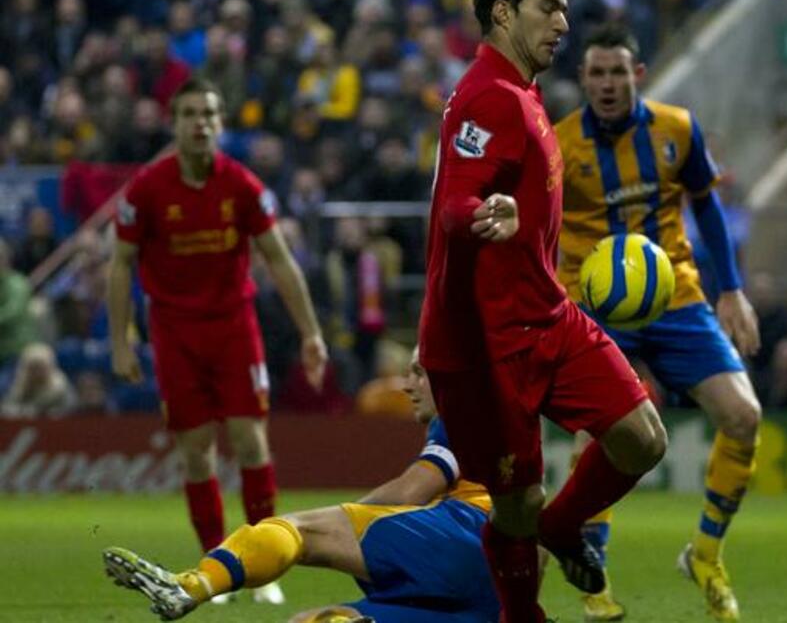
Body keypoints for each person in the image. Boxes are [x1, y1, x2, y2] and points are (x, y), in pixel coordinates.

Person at [419, 0, 668, 622]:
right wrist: (484, 215)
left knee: (643, 439)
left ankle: (565, 528)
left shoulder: (522, 91)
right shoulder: (487, 97)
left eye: (564, 8)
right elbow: (454, 204)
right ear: (503, 11)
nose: (563, 22)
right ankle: (522, 614)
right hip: (484, 344)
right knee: (515, 505)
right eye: (549, 7)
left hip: (547, 314)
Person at [556, 24, 762, 622]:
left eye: (617, 72)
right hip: (596, 309)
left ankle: (705, 553)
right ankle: (593, 574)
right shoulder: (561, 144)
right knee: (599, 434)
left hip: (675, 296)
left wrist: (732, 291)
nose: (607, 84)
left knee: (743, 416)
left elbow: (707, 204)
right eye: (596, 73)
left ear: (637, 75)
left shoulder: (677, 128)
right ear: (583, 79)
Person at [107, 77, 328, 606]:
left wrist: (311, 333)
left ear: (221, 124)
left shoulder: (243, 186)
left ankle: (262, 563)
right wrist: (121, 339)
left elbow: (279, 259)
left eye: (209, 114)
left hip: (234, 327)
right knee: (196, 454)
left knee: (252, 443)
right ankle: (215, 564)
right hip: (174, 332)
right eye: (190, 115)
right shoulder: (147, 189)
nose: (201, 123)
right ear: (175, 124)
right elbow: (120, 264)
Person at [103, 347, 500, 623]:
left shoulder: (461, 411)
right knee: (313, 620)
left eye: (419, 372)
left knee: (301, 530)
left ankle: (191, 585)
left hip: (466, 536)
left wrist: (343, 524)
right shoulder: (494, 416)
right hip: (488, 595)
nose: (407, 384)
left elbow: (411, 491)